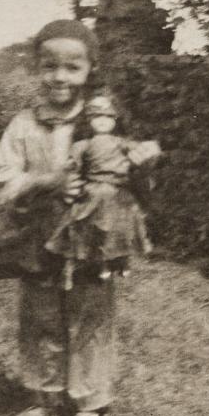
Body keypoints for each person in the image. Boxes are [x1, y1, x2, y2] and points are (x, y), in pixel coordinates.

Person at [0, 20, 160, 416]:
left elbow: (133, 183)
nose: (60, 77)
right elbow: (1, 178)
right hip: (39, 236)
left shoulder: (104, 123)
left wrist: (144, 165)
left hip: (93, 240)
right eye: (50, 66)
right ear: (36, 67)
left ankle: (88, 405)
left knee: (90, 318)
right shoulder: (24, 124)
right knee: (40, 315)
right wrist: (46, 181)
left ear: (90, 69)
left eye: (72, 67)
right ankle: (44, 397)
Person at [45, 93, 153, 290]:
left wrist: (145, 154)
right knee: (87, 224)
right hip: (94, 189)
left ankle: (122, 260)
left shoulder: (122, 143)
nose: (102, 121)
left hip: (118, 190)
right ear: (89, 120)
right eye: (97, 117)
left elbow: (145, 152)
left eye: (108, 117)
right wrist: (70, 171)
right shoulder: (83, 145)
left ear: (115, 120)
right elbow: (73, 167)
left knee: (124, 222)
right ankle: (94, 264)